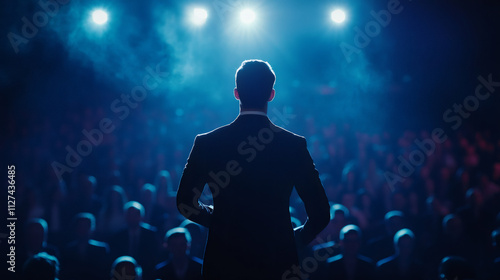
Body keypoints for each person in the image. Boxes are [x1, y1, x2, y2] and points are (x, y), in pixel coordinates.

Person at [176, 59, 330, 279]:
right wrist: (294, 239)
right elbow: (321, 213)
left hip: (224, 263)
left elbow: (184, 203)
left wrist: (219, 221)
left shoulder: (208, 143)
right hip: (277, 262)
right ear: (271, 94)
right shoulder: (292, 145)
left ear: (236, 93)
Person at [60, 213, 110, 280]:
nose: (84, 230)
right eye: (81, 226)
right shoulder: (67, 250)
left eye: (86, 226)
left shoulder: (101, 249)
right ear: (75, 228)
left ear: (92, 228)